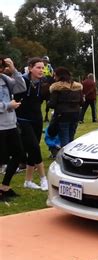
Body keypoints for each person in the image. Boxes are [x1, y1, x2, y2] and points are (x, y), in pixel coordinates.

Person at [12, 57, 49, 191]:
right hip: (23, 120)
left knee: (34, 149)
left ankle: (28, 181)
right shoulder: (21, 81)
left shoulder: (43, 82)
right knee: (34, 147)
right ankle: (43, 178)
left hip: (37, 119)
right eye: (38, 67)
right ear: (30, 68)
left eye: (42, 67)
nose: (41, 70)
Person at [0, 56, 27, 200]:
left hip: (10, 124)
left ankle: (5, 186)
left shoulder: (4, 78)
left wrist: (14, 70)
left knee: (18, 154)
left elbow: (21, 87)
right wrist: (8, 106)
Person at [48, 67, 83, 147]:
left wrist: (48, 103)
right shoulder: (77, 87)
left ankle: (66, 156)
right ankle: (71, 153)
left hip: (62, 115)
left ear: (59, 76)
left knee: (64, 138)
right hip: (75, 114)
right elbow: (82, 102)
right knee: (71, 137)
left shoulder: (56, 88)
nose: (54, 77)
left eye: (55, 75)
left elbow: (52, 104)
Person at [42, 56, 54, 122]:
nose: (44, 62)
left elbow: (52, 73)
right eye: (44, 61)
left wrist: (50, 75)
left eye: (45, 61)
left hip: (48, 78)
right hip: (41, 78)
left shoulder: (49, 66)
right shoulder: (41, 65)